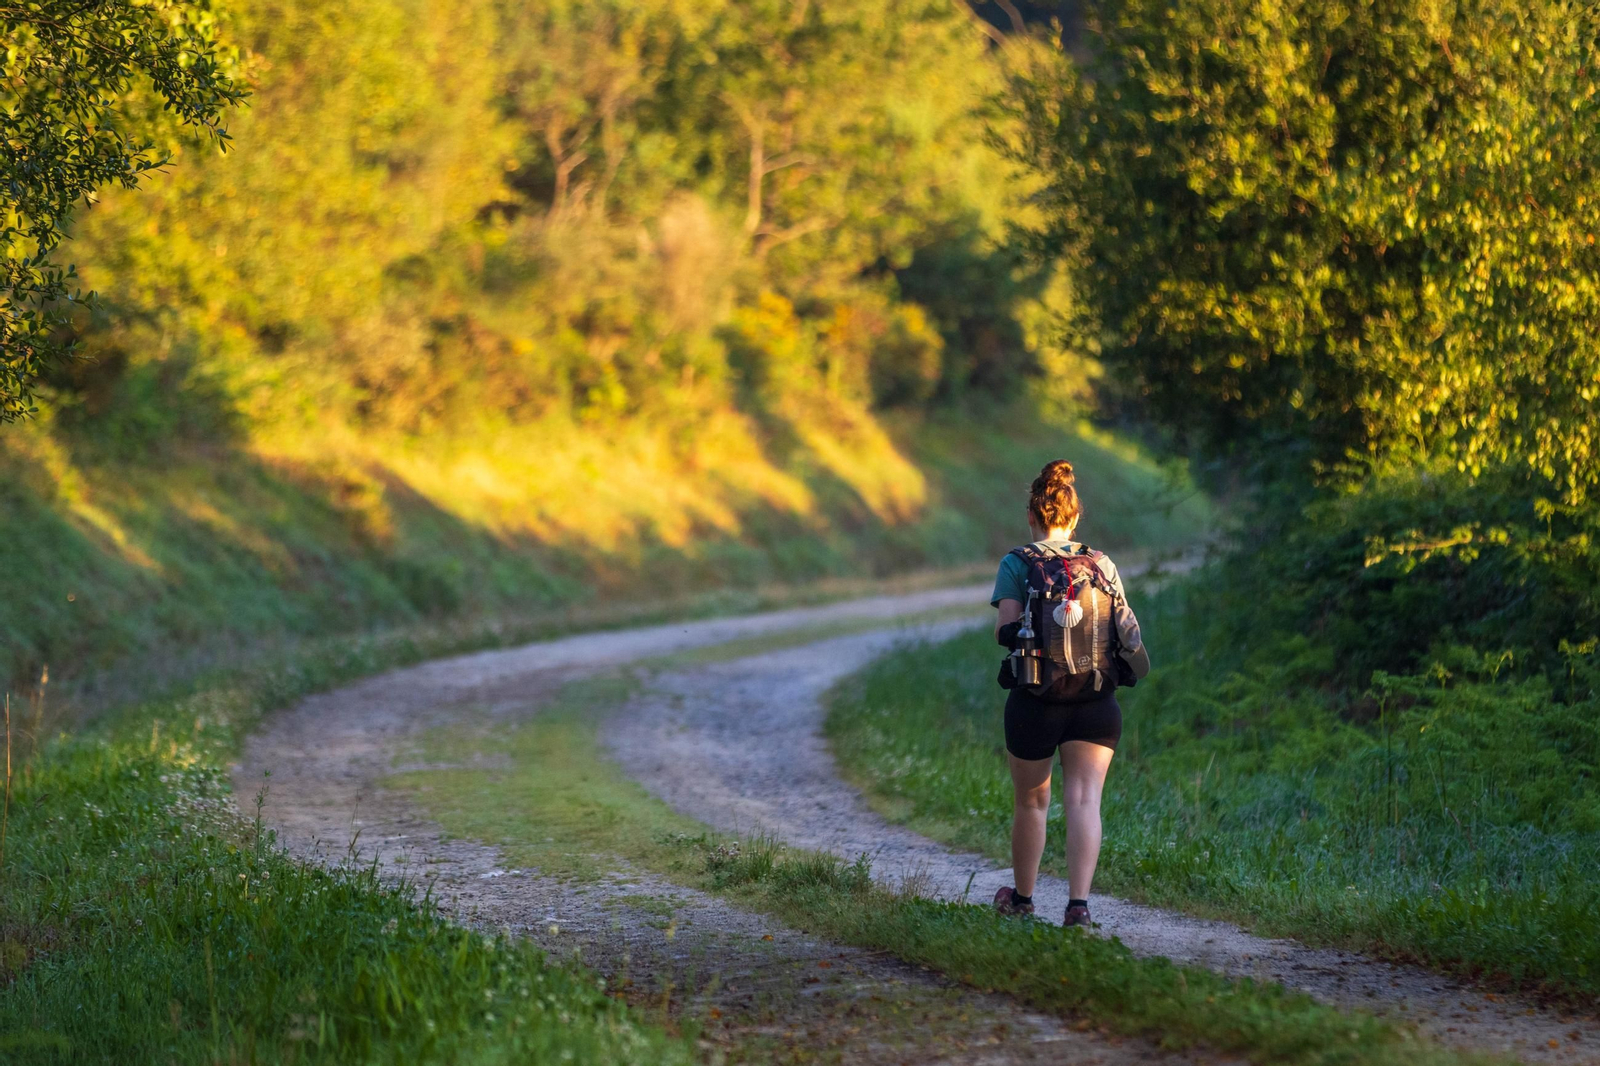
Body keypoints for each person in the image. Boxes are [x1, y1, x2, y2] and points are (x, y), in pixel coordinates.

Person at [989, 459, 1149, 927]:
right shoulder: (1102, 564)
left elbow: (1003, 631)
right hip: (1096, 700)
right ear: (1075, 516)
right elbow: (1125, 629)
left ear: (1031, 516)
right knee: (1084, 801)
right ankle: (1078, 907)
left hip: (1035, 700)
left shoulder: (1017, 562)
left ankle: (1022, 900)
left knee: (1031, 802)